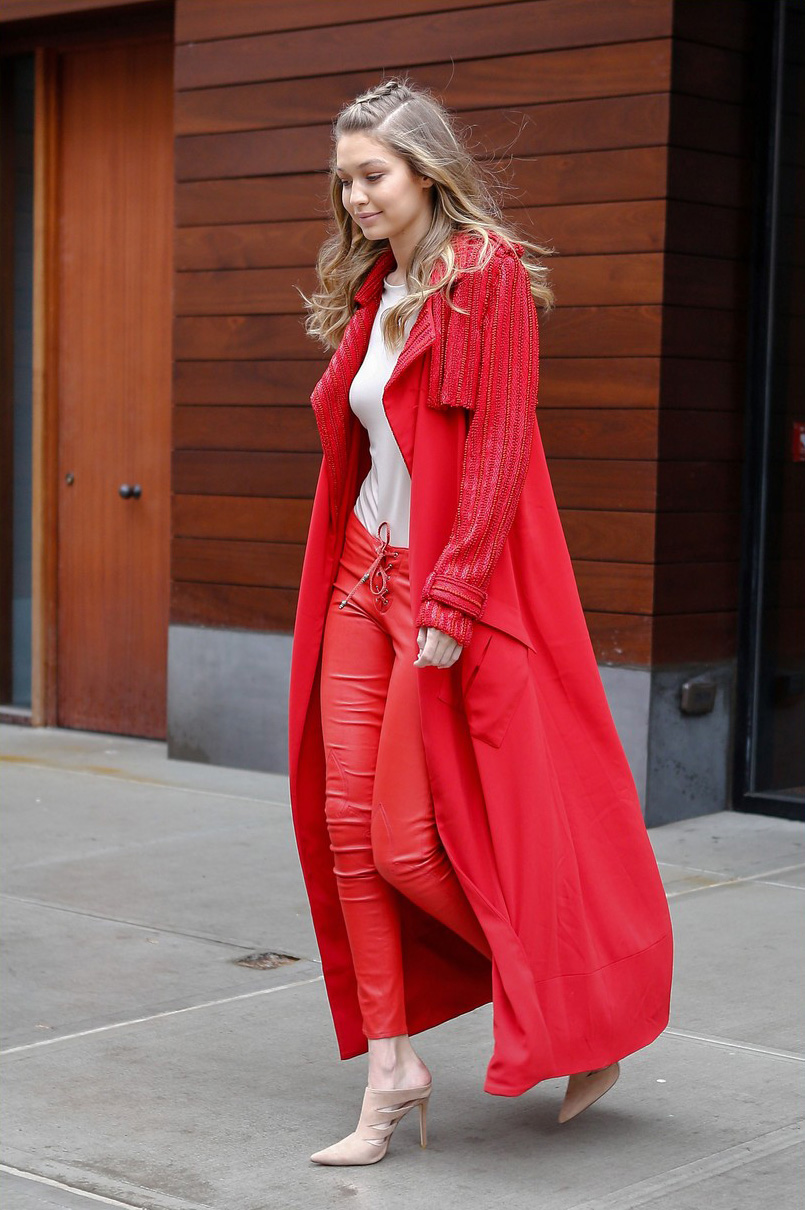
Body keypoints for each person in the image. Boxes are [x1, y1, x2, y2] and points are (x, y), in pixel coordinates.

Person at [288, 78, 673, 1167]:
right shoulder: (376, 284)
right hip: (360, 575)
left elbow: (500, 449)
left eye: (372, 175)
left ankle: (562, 1000)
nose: (355, 196)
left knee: (409, 844)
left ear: (424, 171)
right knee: (346, 834)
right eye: (346, 179)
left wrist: (451, 600)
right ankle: (391, 1069)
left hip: (433, 588)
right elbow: (367, 445)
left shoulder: (483, 278)